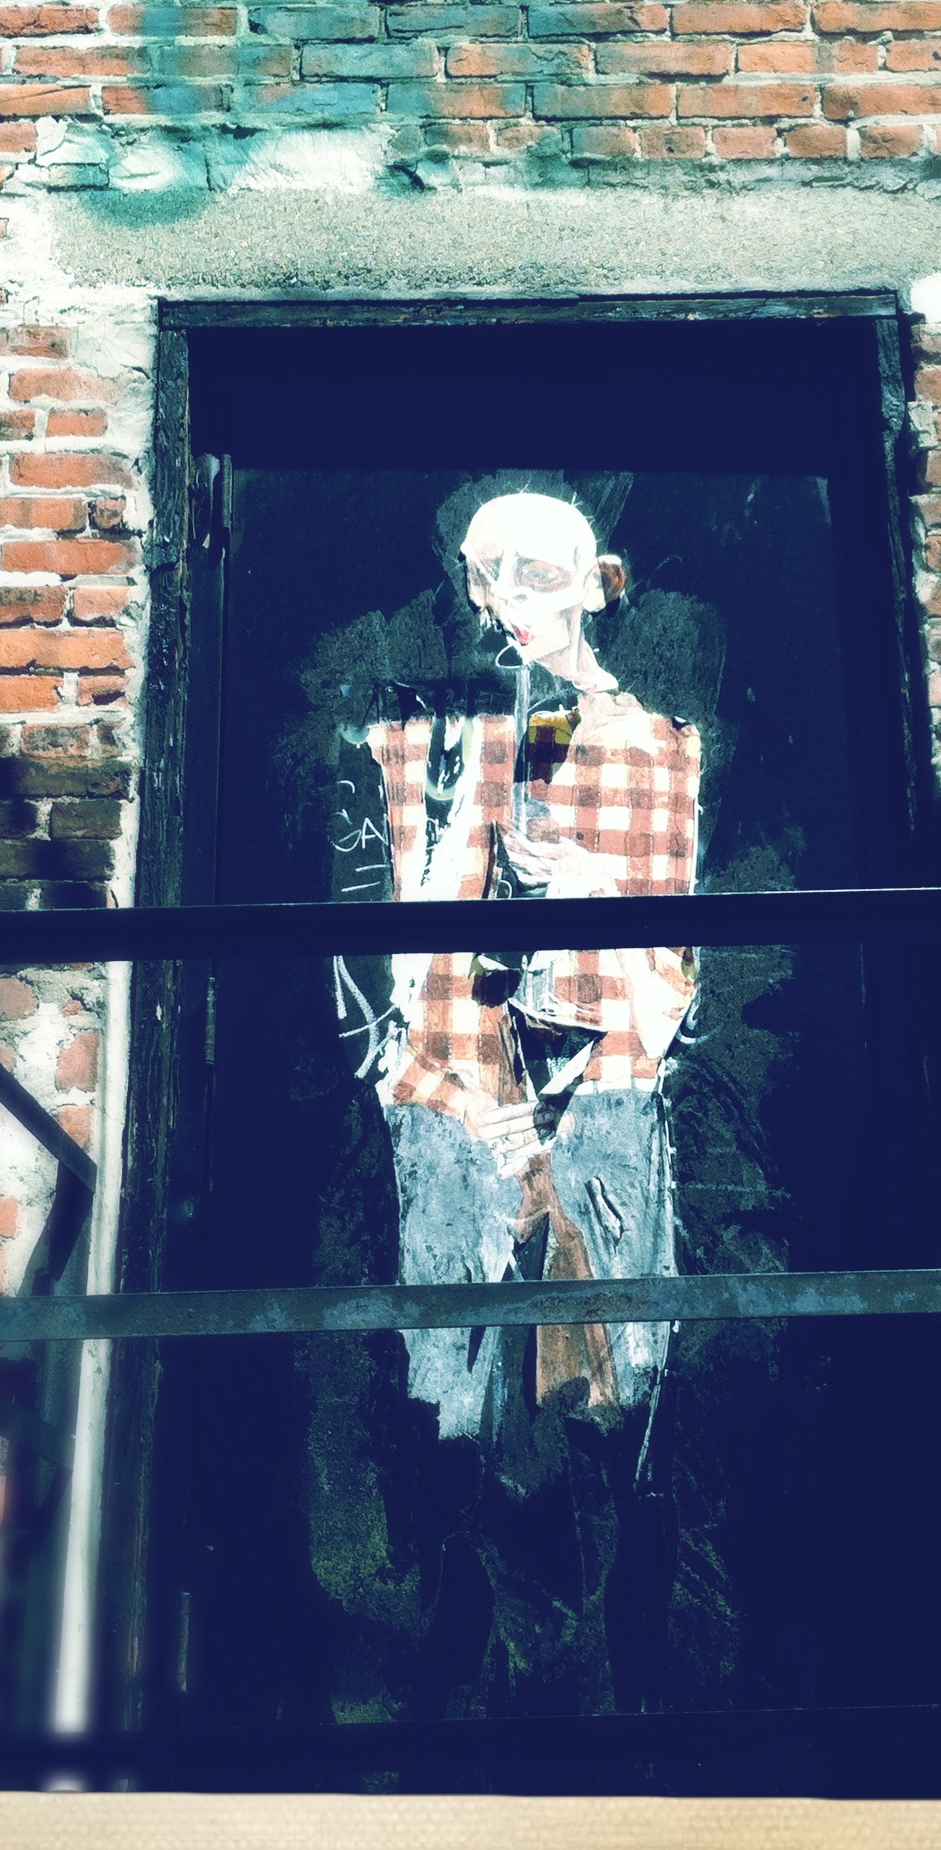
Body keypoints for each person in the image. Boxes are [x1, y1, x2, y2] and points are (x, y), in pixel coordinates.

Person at [359, 489, 702, 1444]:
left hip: (604, 1100)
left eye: (538, 574)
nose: (506, 597)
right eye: (486, 574)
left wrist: (590, 884)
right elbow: (378, 963)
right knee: (448, 1406)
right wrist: (449, 1092)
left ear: (598, 586)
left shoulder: (656, 747)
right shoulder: (420, 740)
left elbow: (675, 985)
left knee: (614, 1402)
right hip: (452, 1099)